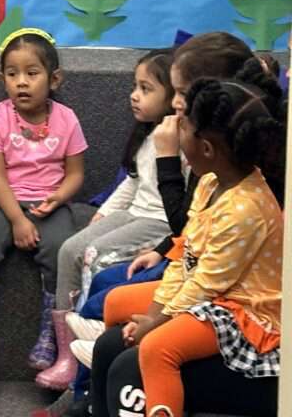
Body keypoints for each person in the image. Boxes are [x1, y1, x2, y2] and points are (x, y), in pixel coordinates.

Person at [88, 69, 283, 417]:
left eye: (184, 126)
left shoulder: (246, 208)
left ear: (206, 148)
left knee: (157, 348)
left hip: (241, 311)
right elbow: (186, 257)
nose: (175, 131)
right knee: (116, 302)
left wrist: (153, 325)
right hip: (212, 294)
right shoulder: (210, 182)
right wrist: (153, 315)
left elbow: (206, 285)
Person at [35, 50, 176, 391]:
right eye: (135, 86)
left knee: (94, 254)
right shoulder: (147, 133)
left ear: (173, 96)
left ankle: (84, 349)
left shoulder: (177, 139)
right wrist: (104, 214)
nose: (134, 95)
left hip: (159, 222)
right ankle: (65, 350)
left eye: (146, 89)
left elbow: (177, 201)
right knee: (70, 249)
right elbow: (132, 181)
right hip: (134, 213)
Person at [0, 28, 87, 373]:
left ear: (54, 79)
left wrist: (58, 197)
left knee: (62, 249)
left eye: (32, 73)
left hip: (48, 199)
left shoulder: (67, 119)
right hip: (1, 197)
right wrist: (18, 220)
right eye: (12, 74)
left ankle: (50, 334)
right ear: (2, 80)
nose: (21, 82)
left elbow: (76, 174)